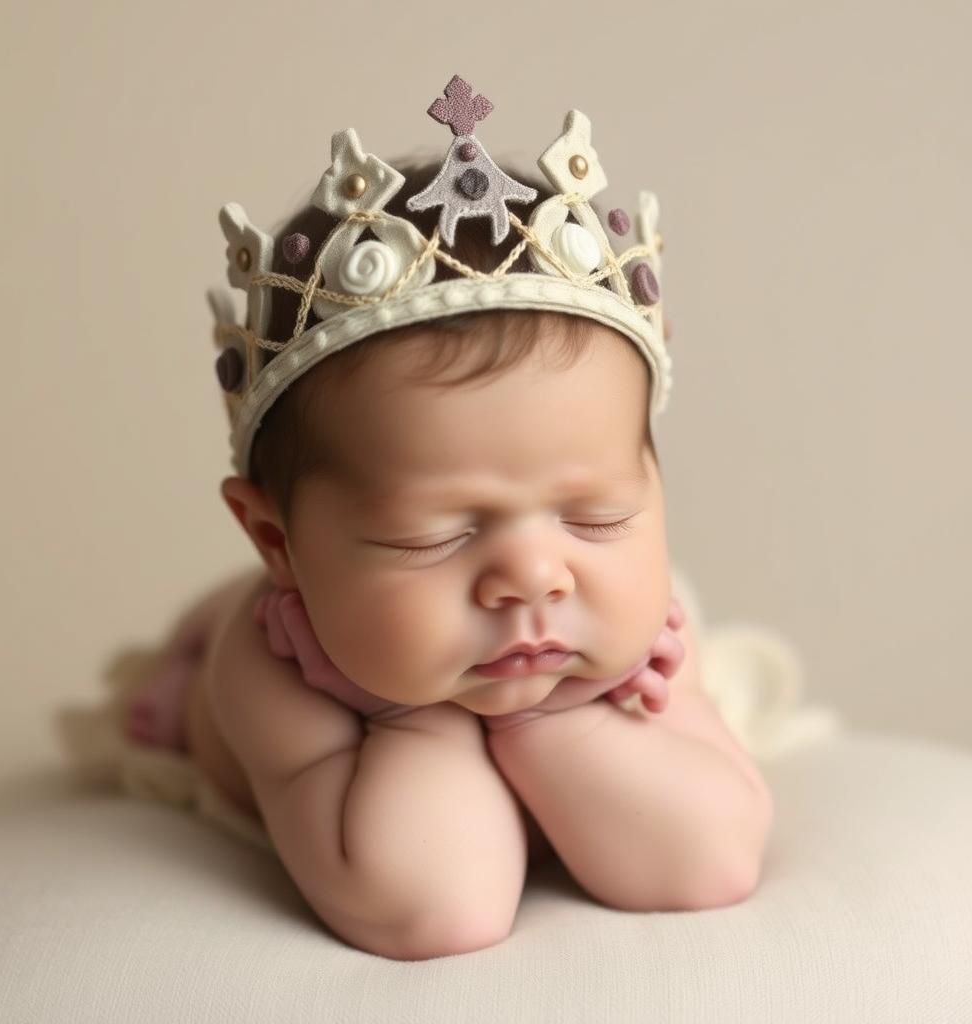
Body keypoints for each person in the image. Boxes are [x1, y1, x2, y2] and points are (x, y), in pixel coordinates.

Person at [124, 76, 774, 961]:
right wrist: (406, 718)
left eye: (596, 517)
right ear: (279, 542)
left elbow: (706, 861)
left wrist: (556, 716)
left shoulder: (646, 634)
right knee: (206, 636)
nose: (534, 576)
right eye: (433, 537)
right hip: (253, 668)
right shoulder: (275, 669)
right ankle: (180, 666)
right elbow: (432, 907)